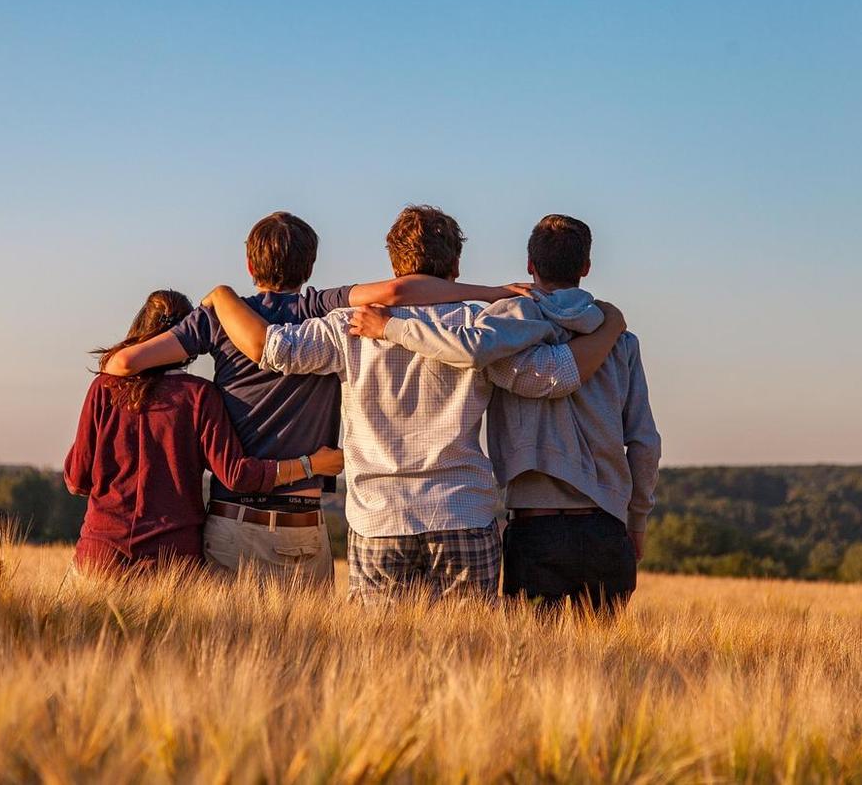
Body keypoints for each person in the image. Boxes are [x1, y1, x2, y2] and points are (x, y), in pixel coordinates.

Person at [202, 206, 626, 602]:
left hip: (379, 519)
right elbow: (552, 377)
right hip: (462, 512)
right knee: (469, 660)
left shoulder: (347, 326)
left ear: (393, 265)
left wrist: (222, 297)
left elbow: (273, 349)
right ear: (456, 266)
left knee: (381, 661)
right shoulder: (481, 327)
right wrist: (610, 328)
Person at [101, 211, 535, 583]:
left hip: (235, 518)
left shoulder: (218, 318)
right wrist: (492, 293)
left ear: (250, 265)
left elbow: (123, 366)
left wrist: (216, 302)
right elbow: (399, 292)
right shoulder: (321, 308)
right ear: (310, 266)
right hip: (305, 522)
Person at [350, 214, 661, 612]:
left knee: (531, 665)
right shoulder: (620, 340)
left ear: (530, 265)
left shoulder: (503, 329)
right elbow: (644, 442)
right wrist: (637, 520)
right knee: (600, 668)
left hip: (536, 526)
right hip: (607, 527)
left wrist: (391, 327)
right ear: (585, 267)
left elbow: (469, 349)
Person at [64, 289, 344, 574]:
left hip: (100, 555)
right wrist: (311, 465)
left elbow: (77, 480)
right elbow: (236, 475)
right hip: (172, 560)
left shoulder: (104, 388)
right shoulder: (199, 396)